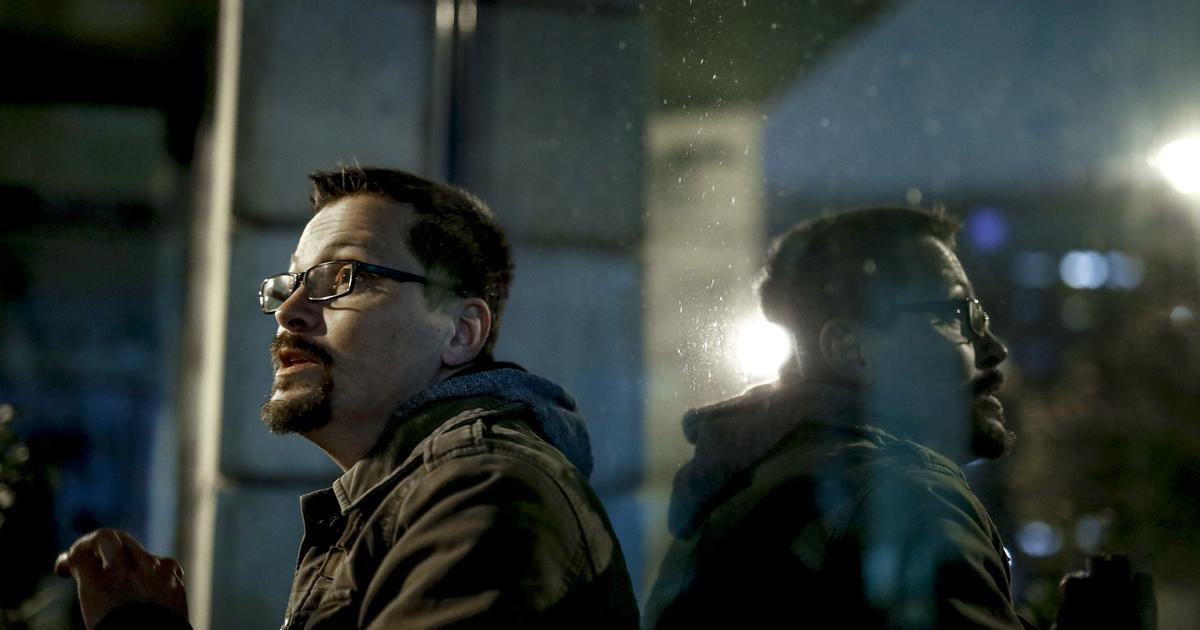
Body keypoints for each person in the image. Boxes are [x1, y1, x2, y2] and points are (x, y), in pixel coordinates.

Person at [56, 166, 640, 629]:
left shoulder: (485, 487)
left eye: (342, 278)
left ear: (460, 333)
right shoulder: (410, 494)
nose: (288, 313)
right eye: (289, 284)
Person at [642, 207, 1151, 629]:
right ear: (852, 349)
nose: (993, 349)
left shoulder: (751, 486)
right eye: (955, 317)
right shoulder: (903, 494)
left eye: (981, 318)